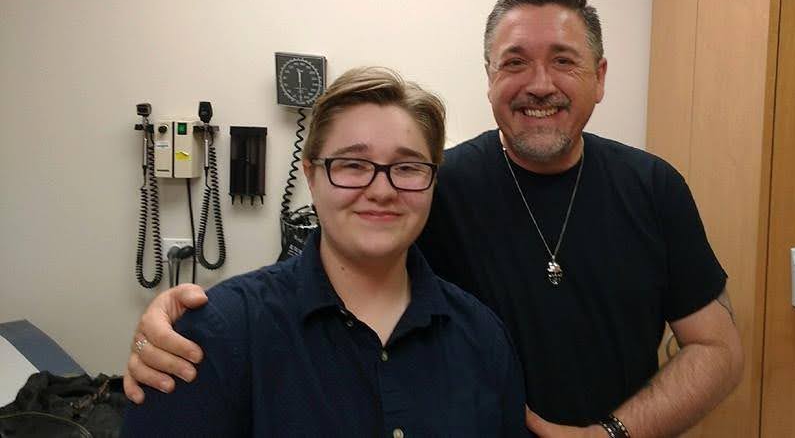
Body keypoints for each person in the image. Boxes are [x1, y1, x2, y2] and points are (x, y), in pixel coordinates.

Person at [125, 0, 743, 437]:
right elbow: (321, 280)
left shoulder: (654, 189)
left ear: (600, 76)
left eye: (564, 60)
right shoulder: (437, 186)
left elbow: (718, 351)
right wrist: (185, 319)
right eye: (515, 62)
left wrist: (609, 435)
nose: (539, 84)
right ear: (489, 77)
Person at [121, 67, 528, 436]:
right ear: (312, 176)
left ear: (433, 181)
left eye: (407, 167)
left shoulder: (481, 337)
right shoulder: (218, 335)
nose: (382, 190)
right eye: (353, 165)